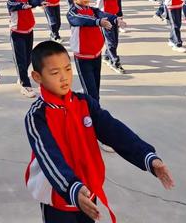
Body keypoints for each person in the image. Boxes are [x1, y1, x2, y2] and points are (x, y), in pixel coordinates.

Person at [24, 40, 175, 223]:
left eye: (68, 69)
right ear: (37, 77)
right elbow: (49, 157)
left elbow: (115, 131)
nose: (64, 77)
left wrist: (147, 157)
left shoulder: (84, 103)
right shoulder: (37, 116)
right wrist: (71, 188)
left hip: (88, 191)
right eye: (55, 73)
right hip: (60, 196)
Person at [67, 0, 119, 101]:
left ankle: (93, 112)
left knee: (96, 90)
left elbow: (102, 14)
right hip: (83, 57)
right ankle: (93, 115)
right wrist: (98, 22)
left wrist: (115, 19)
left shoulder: (92, 10)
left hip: (96, 55)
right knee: (91, 94)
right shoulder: (72, 13)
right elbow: (81, 20)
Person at [7, 0, 46, 98]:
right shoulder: (11, 2)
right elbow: (16, 5)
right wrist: (24, 6)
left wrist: (40, 2)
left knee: (28, 57)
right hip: (17, 33)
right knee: (21, 60)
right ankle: (25, 85)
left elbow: (33, 1)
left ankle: (22, 76)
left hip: (28, 32)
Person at [95, 0, 133, 74]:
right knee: (111, 41)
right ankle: (115, 62)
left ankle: (107, 56)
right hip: (104, 17)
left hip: (115, 17)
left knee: (115, 40)